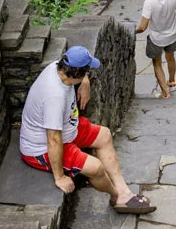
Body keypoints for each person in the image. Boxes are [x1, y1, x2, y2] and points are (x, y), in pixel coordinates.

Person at [19, 44, 155, 214]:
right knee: (95, 168)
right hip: (42, 149)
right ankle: (117, 196)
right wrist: (60, 177)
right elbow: (53, 139)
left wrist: (85, 80)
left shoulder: (58, 67)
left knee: (104, 135)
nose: (88, 73)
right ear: (76, 73)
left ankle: (124, 191)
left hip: (68, 128)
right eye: (86, 71)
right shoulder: (54, 97)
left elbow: (75, 74)